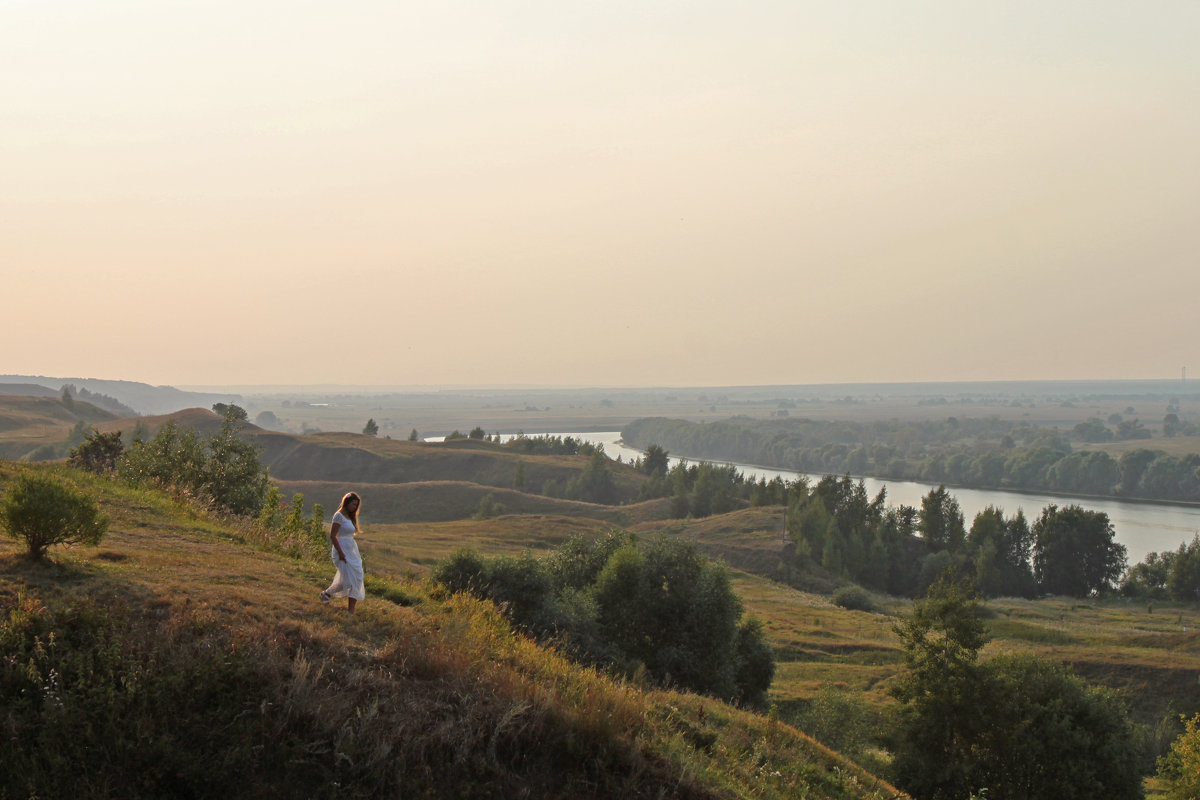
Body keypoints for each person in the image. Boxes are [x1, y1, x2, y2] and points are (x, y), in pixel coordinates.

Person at [319, 492, 364, 613]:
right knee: (348, 581)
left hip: (351, 550)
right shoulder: (338, 516)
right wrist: (341, 553)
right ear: (347, 503)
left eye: (356, 505)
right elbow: (333, 536)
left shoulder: (350, 517)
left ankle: (350, 611)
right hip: (341, 550)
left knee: (357, 578)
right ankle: (327, 594)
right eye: (353, 504)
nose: (355, 507)